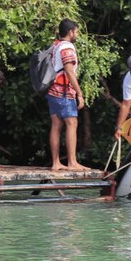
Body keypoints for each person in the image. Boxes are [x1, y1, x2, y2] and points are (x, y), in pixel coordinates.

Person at [47, 19, 87, 171]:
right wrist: (79, 93)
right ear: (70, 32)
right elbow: (70, 72)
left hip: (52, 91)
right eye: (76, 31)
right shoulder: (67, 48)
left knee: (56, 125)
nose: (77, 34)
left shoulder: (56, 45)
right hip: (63, 92)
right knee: (72, 123)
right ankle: (72, 162)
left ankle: (56, 163)